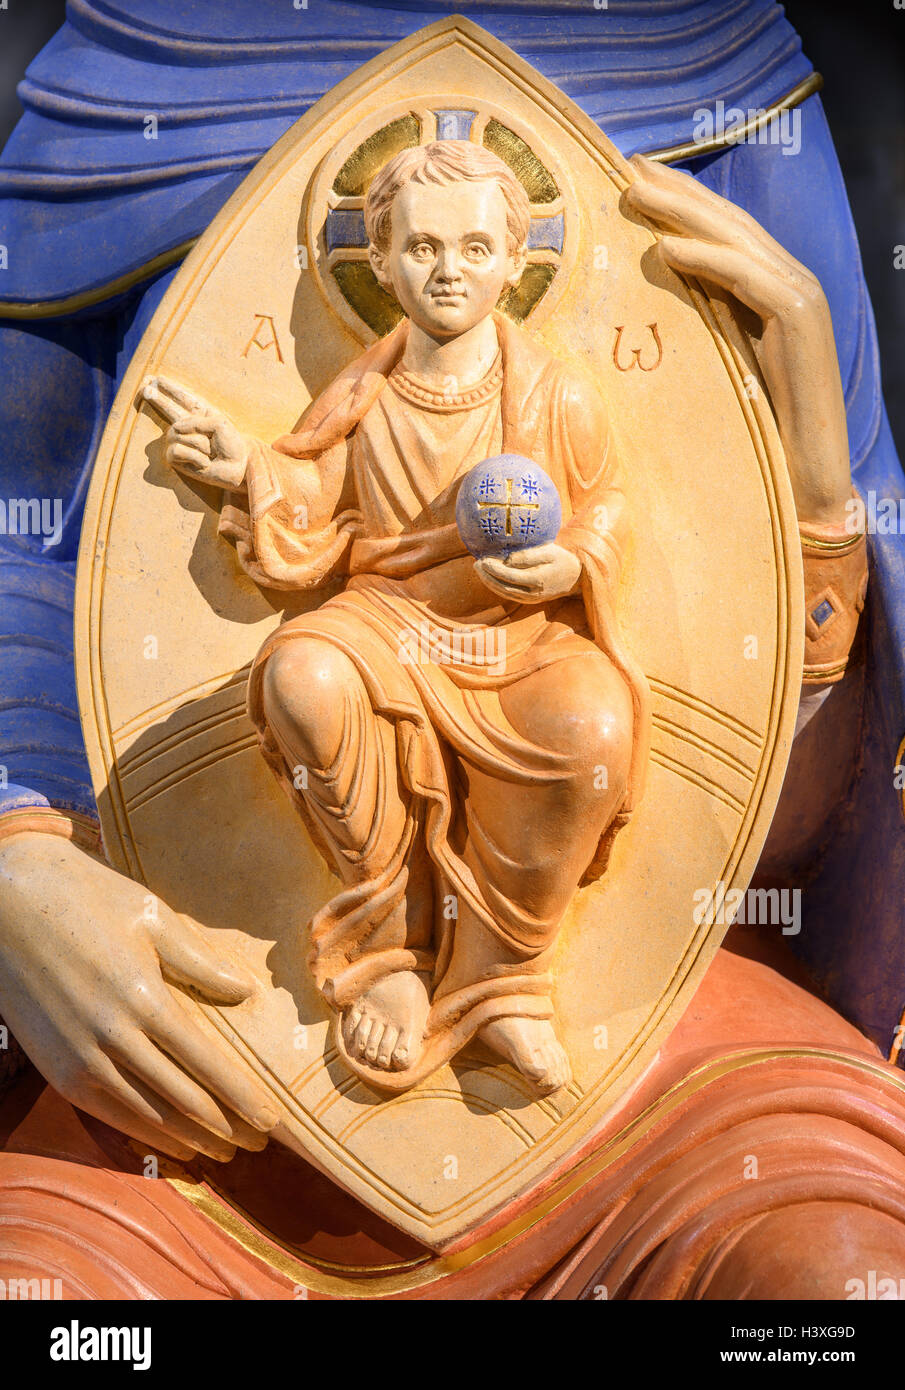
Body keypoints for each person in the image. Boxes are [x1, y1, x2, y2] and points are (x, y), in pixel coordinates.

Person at [148, 141, 650, 1095]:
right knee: (302, 675)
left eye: (473, 246)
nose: (449, 269)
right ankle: (390, 947)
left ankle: (501, 979)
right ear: (379, 263)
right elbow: (312, 491)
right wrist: (246, 467)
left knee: (593, 726)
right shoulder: (362, 395)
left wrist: (572, 560)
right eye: (421, 248)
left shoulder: (553, 393)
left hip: (518, 631)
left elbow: (606, 508)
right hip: (387, 621)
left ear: (515, 260)